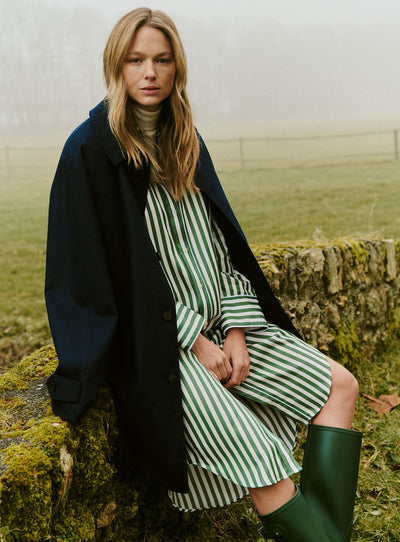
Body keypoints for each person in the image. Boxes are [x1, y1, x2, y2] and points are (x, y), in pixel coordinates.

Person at [45, 8, 362, 541]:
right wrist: (193, 341)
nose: (150, 72)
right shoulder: (89, 154)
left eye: (162, 60)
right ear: (116, 67)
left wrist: (236, 328)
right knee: (264, 461)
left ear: (177, 68)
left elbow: (221, 248)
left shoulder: (183, 139)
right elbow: (97, 281)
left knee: (340, 386)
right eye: (136, 60)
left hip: (225, 327)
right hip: (163, 349)